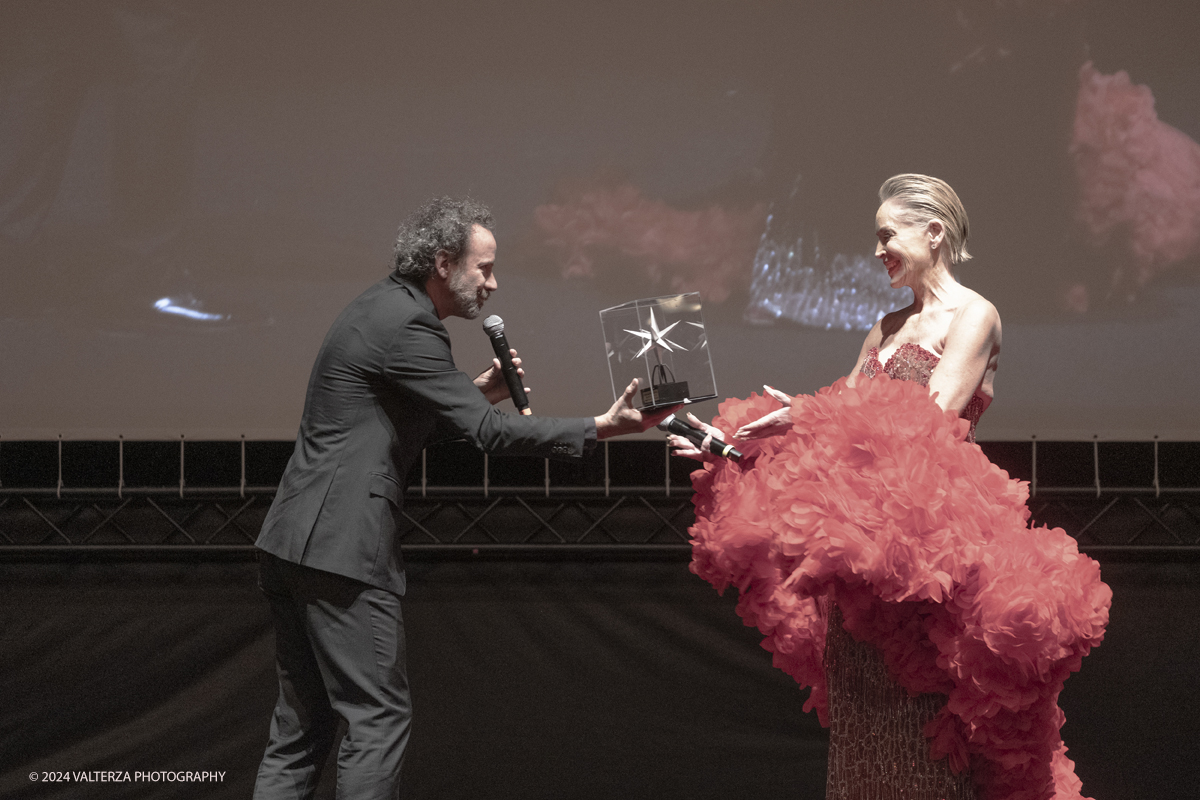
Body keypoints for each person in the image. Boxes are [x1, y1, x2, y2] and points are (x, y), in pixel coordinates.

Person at [670, 175, 1110, 800]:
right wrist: (733, 446)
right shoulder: (883, 327)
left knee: (928, 739)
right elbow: (830, 427)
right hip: (866, 558)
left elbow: (933, 416)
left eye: (887, 235)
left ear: (933, 232)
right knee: (864, 741)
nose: (877, 251)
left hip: (931, 550)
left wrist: (810, 412)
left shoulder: (975, 315)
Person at [252, 197, 676, 799]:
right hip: (340, 547)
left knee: (301, 730)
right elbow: (490, 436)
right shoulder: (410, 325)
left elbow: (387, 422)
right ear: (443, 263)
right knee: (376, 721)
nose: (493, 284)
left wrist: (474, 397)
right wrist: (604, 426)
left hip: (292, 540)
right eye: (485, 269)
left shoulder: (378, 307)